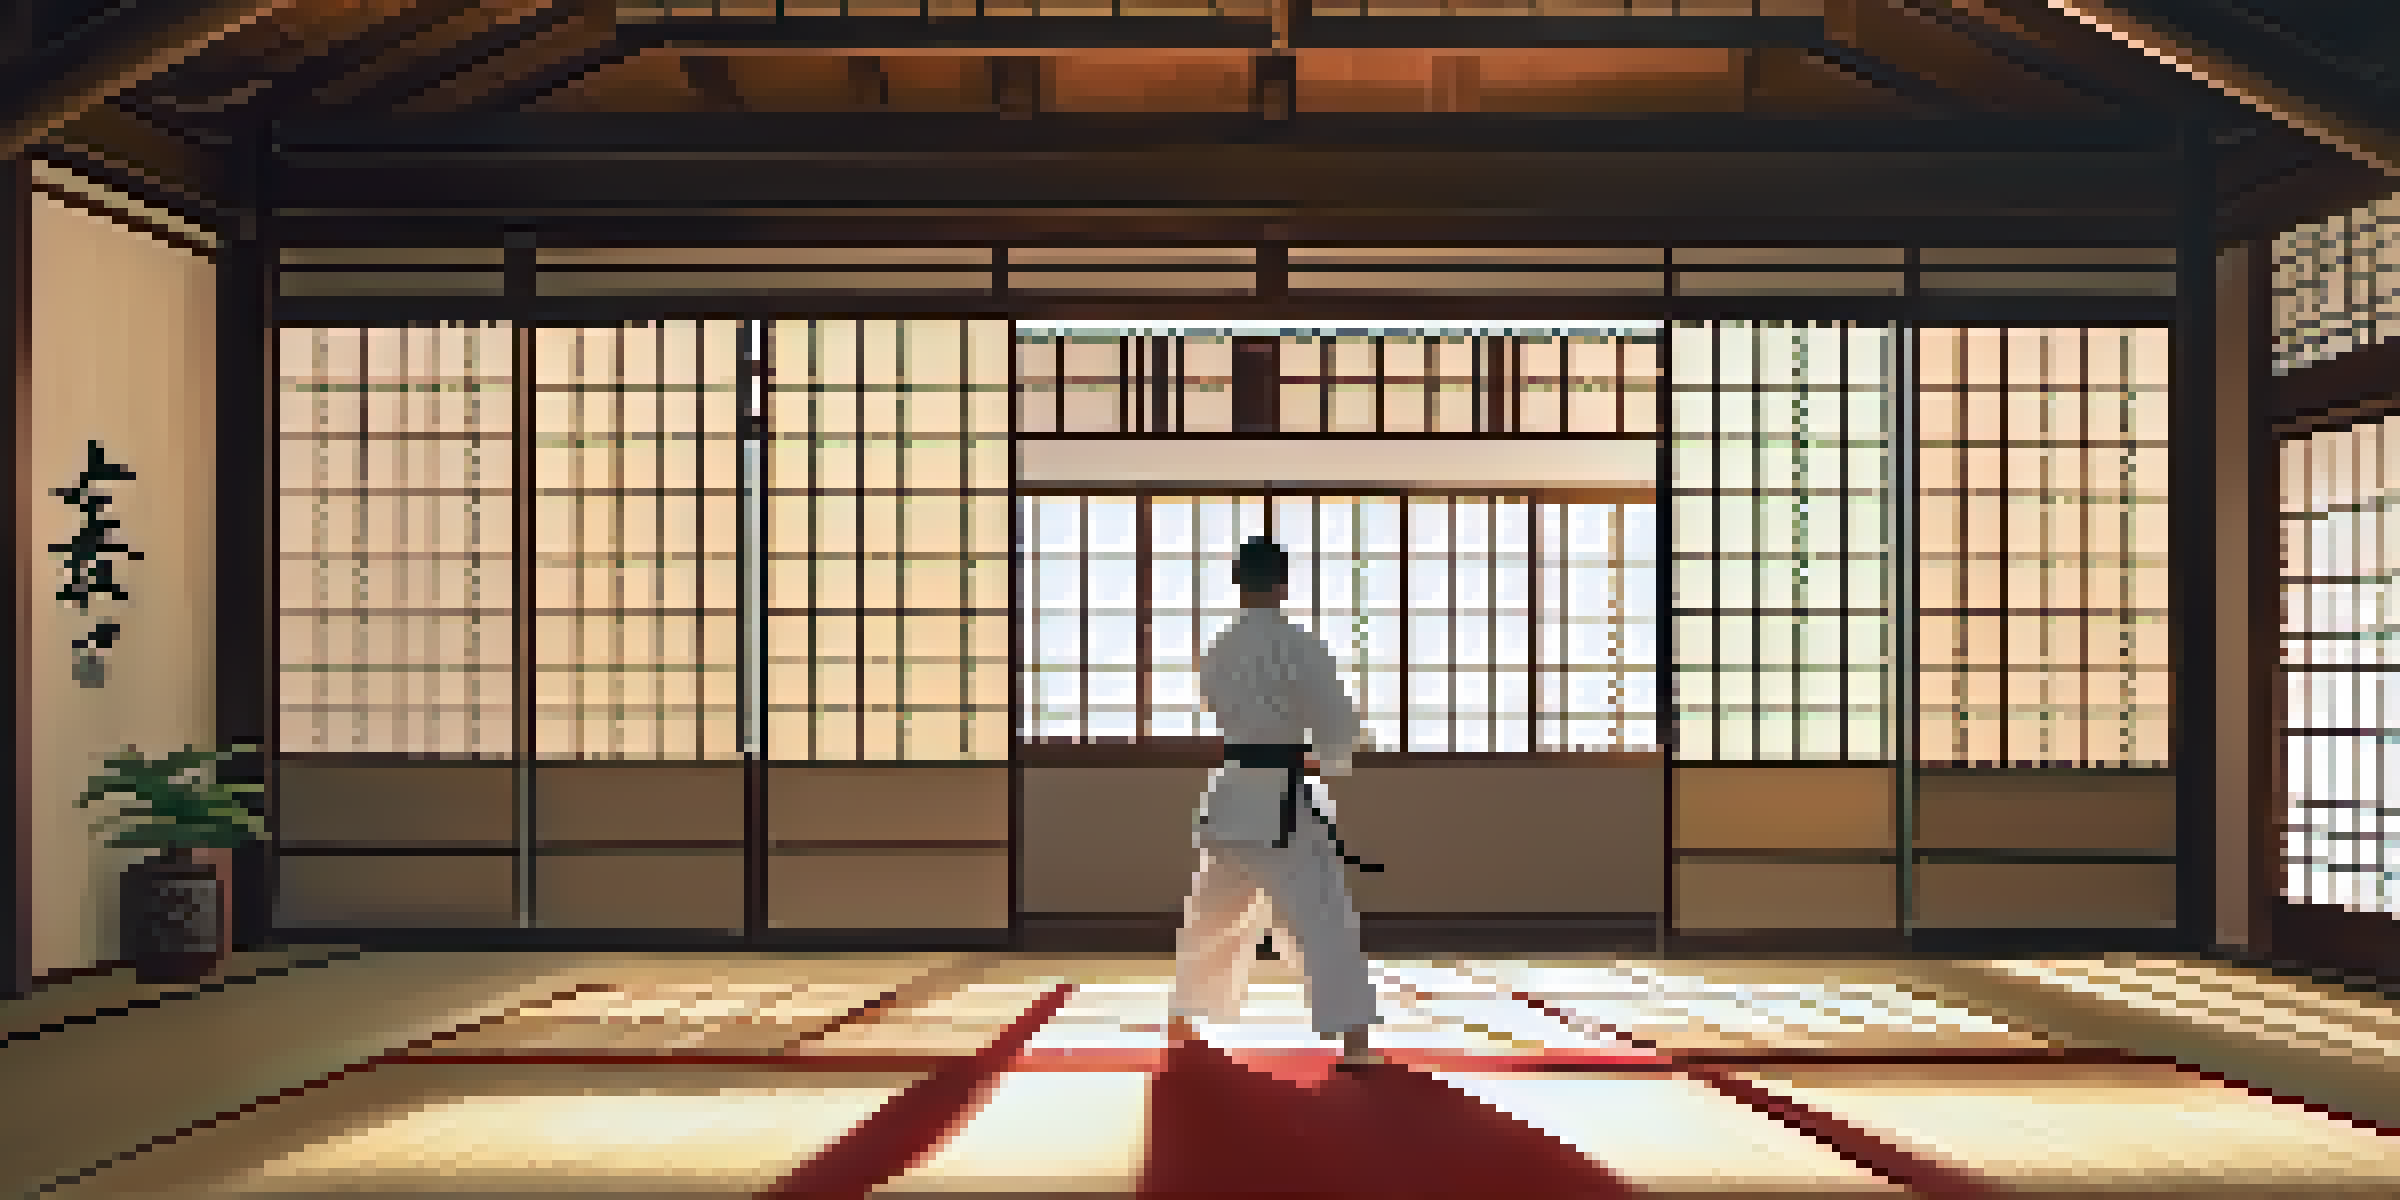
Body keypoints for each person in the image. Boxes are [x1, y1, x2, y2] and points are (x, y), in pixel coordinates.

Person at [1166, 535, 1383, 1067]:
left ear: (1239, 582)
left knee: (1213, 912)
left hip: (1235, 790)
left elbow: (1232, 716)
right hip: (1282, 797)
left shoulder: (1218, 649)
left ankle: (1185, 1016)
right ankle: (1352, 1036)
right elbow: (1335, 720)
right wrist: (1337, 752)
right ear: (1282, 583)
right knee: (1320, 917)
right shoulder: (1296, 644)